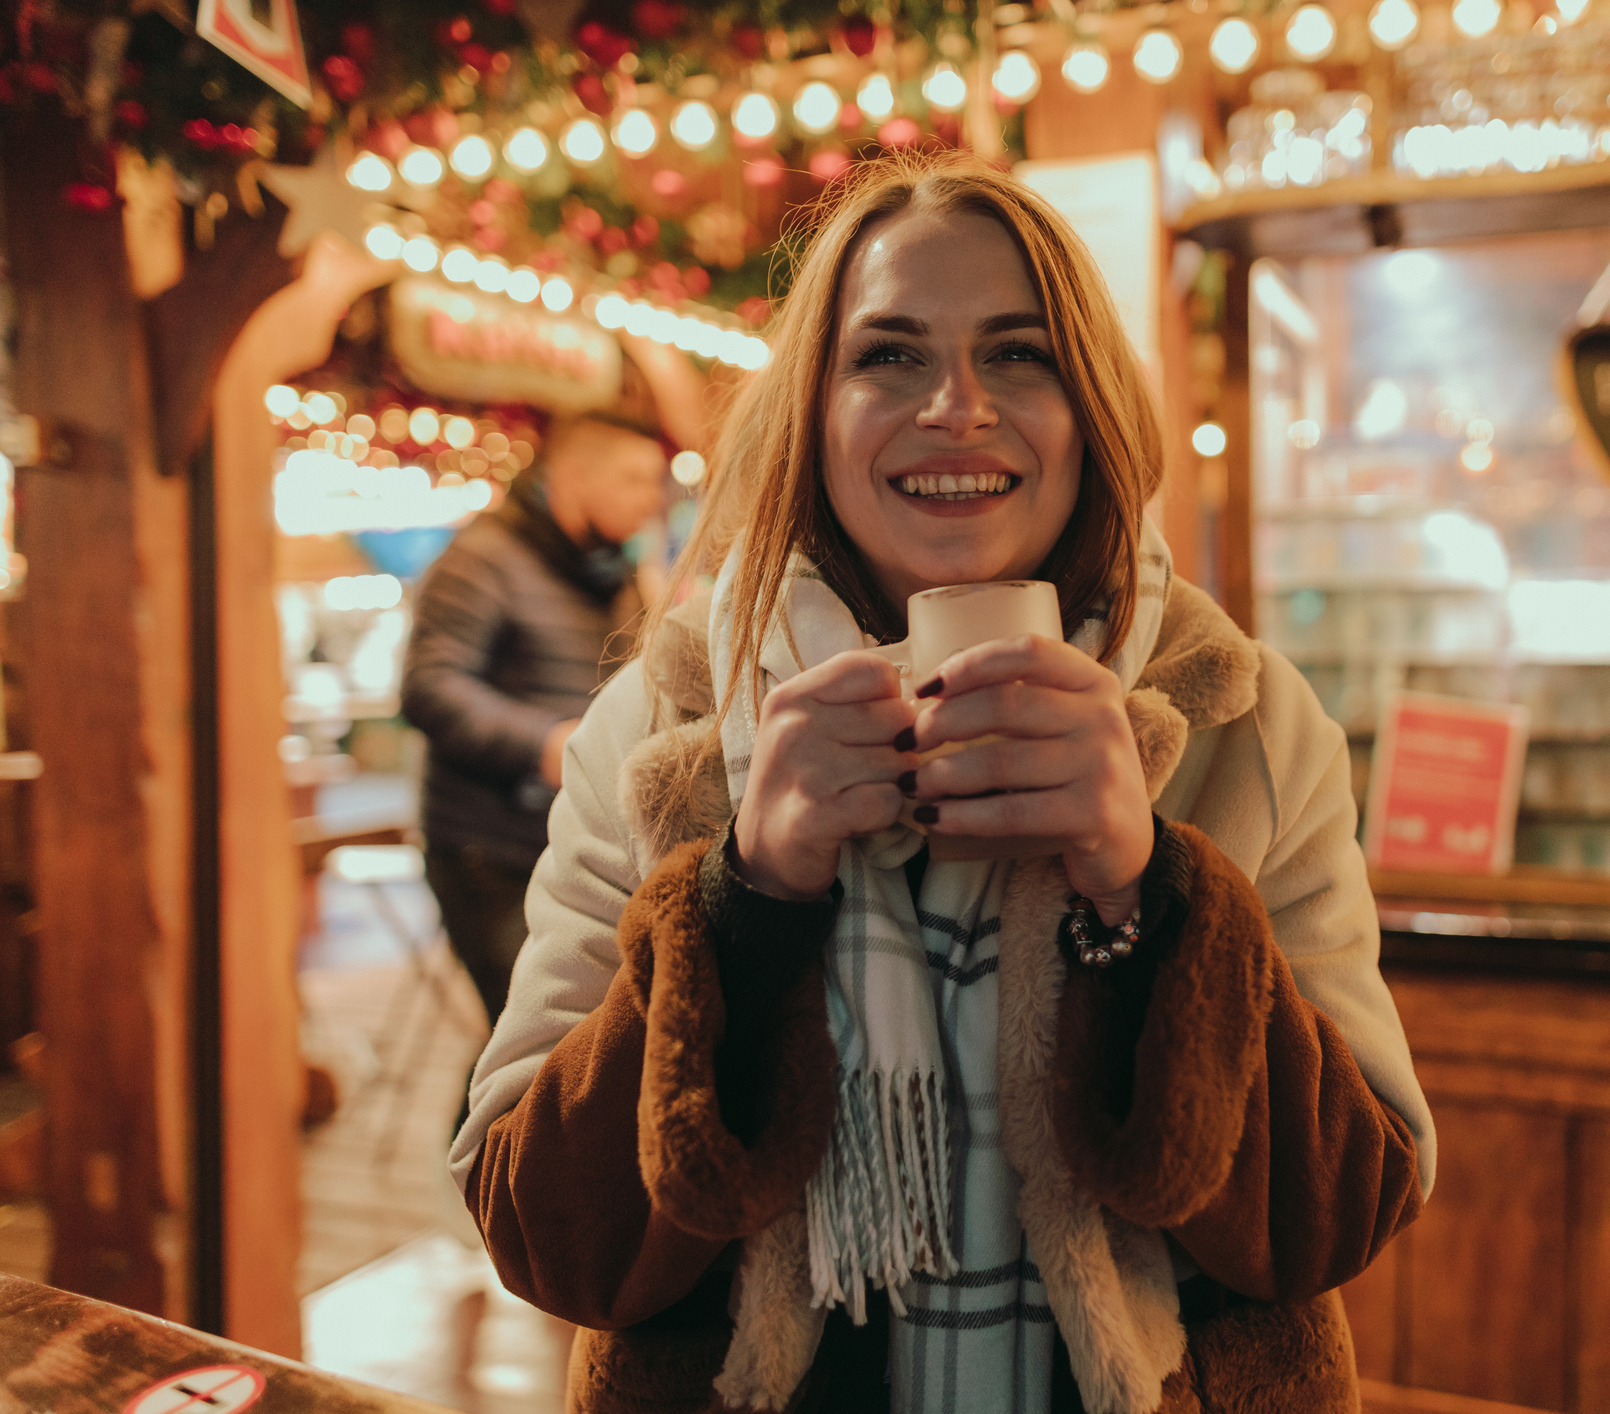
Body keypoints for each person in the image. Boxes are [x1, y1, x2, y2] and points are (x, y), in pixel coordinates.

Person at [449, 154, 1434, 1414]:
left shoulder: (1242, 717)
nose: (957, 406)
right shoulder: (665, 723)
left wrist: (1151, 899)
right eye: (890, 356)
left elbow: (1345, 1211)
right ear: (815, 407)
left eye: (1019, 354)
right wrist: (745, 903)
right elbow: (542, 1234)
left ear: (1090, 408)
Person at [401, 412, 668, 1027]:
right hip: (488, 850)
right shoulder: (483, 558)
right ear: (572, 477)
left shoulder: (614, 572)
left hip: (573, 841)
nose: (653, 501)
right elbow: (429, 688)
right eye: (633, 480)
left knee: (556, 1051)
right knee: (539, 1045)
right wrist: (545, 744)